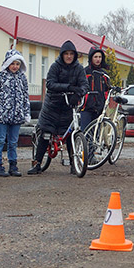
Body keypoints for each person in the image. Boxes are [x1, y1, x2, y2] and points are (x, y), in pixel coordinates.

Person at [27, 40, 88, 175]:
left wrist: (78, 93)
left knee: (70, 136)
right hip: (52, 106)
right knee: (45, 134)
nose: (69, 56)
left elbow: (85, 85)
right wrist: (69, 88)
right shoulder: (55, 67)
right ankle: (37, 163)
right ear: (62, 55)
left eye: (71, 54)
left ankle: (74, 164)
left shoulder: (79, 69)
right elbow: (50, 83)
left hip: (68, 107)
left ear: (75, 55)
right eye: (66, 53)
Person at [0, 50, 31, 177]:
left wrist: (26, 112)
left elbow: (25, 96)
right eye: (13, 63)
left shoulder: (22, 78)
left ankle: (13, 165)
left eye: (17, 64)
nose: (15, 66)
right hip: (2, 115)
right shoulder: (0, 76)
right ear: (7, 63)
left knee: (13, 141)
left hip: (17, 115)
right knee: (0, 139)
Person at [80, 47, 113, 131]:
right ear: (91, 58)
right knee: (85, 132)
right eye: (95, 57)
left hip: (99, 108)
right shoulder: (85, 72)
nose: (98, 59)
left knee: (96, 134)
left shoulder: (104, 74)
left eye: (100, 57)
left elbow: (107, 88)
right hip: (86, 107)